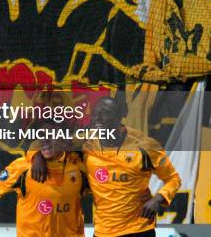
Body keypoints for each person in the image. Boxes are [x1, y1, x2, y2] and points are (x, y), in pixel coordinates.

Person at [31, 96, 181, 237]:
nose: (98, 118)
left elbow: (173, 179)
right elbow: (47, 142)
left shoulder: (144, 146)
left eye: (105, 113)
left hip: (139, 228)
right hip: (104, 231)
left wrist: (157, 199)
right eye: (96, 113)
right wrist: (36, 156)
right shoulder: (86, 141)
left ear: (120, 116)